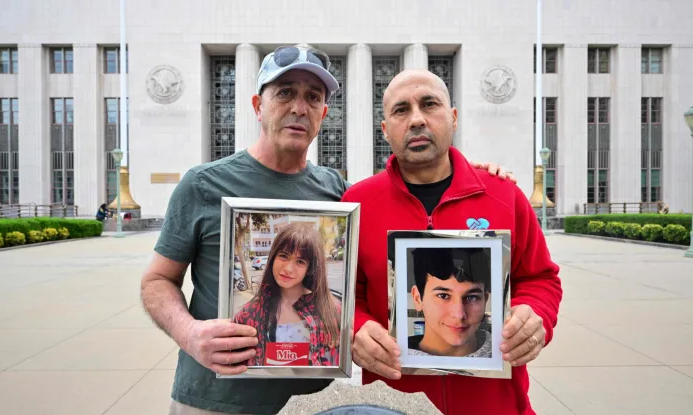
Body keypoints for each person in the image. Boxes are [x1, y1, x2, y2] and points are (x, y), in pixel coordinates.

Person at [140, 44, 516, 415]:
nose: (298, 107)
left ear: (323, 113)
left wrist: (468, 172)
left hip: (310, 398)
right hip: (215, 401)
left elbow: (366, 285)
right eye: (285, 93)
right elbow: (156, 281)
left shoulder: (336, 192)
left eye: (312, 97)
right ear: (258, 106)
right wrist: (189, 334)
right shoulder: (203, 185)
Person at [340, 69, 563, 414]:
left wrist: (536, 315)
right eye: (401, 110)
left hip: (495, 405)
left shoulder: (504, 195)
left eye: (429, 104)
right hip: (394, 405)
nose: (416, 119)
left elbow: (540, 279)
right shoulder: (357, 204)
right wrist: (356, 328)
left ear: (453, 118)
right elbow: (339, 294)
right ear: (385, 130)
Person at [233, 222, 341, 367]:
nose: (288, 269)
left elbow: (335, 363)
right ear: (272, 258)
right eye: (283, 256)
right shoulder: (249, 313)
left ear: (310, 268)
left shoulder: (332, 311)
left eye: (300, 261)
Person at [406, 247, 491, 358]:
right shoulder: (393, 360)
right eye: (443, 296)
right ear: (417, 298)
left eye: (472, 297)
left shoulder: (507, 357)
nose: (459, 315)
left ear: (485, 300)